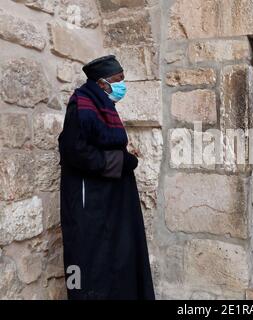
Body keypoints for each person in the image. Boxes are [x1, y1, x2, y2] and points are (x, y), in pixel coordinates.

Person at [57, 55, 155, 300]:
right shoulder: (81, 105)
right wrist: (121, 161)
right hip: (88, 198)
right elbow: (75, 151)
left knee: (117, 253)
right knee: (88, 255)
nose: (123, 86)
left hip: (110, 197)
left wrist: (122, 157)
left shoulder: (103, 104)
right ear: (102, 84)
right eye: (118, 80)